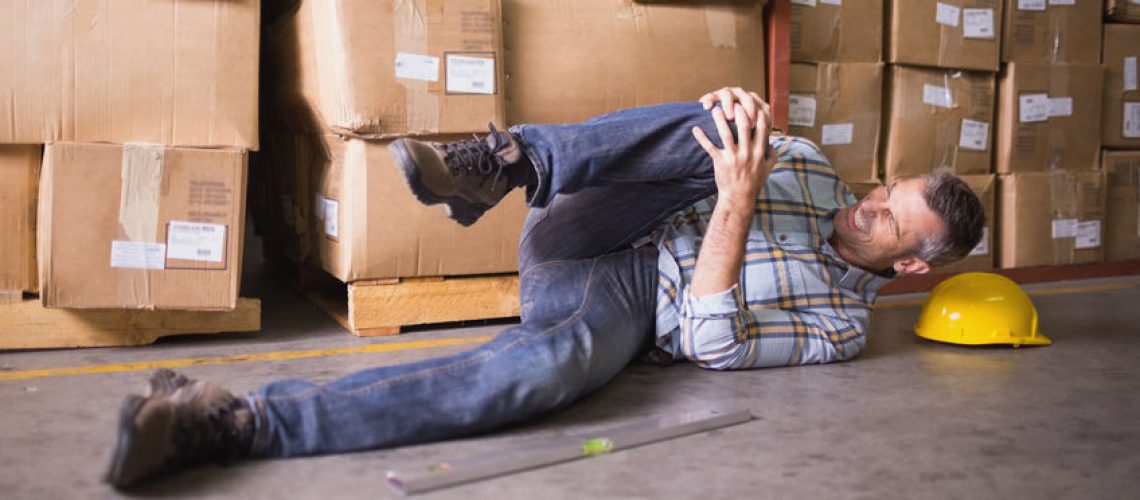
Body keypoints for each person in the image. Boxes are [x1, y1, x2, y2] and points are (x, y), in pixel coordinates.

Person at [104, 88, 985, 488]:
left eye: (888, 222)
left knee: (542, 374)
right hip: (586, 213)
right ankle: (502, 164)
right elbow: (682, 147)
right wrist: (739, 136)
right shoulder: (813, 166)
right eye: (883, 191)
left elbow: (714, 342)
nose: (865, 207)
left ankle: (233, 422)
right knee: (732, 121)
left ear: (912, 265)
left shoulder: (838, 325)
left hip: (627, 298)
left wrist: (739, 200)